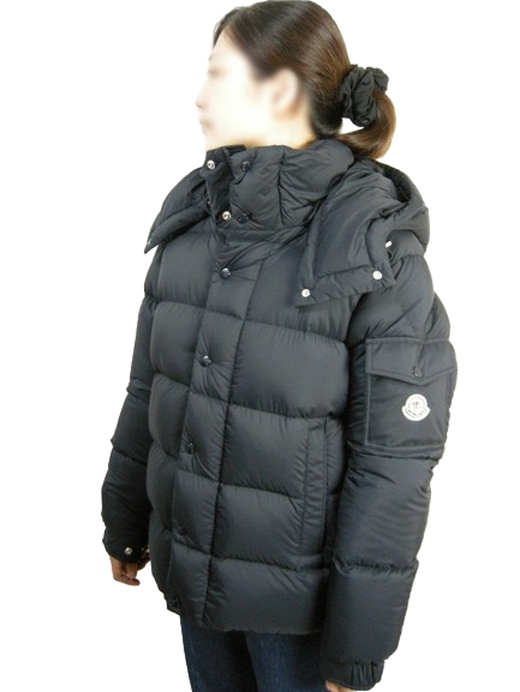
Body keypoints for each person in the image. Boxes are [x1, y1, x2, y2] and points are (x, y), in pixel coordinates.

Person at [100, 2, 458, 691]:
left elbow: (394, 462)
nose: (199, 96)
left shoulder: (371, 246)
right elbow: (151, 390)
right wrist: (125, 520)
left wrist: (358, 642)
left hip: (299, 616)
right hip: (194, 577)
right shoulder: (195, 222)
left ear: (282, 90)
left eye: (218, 74)